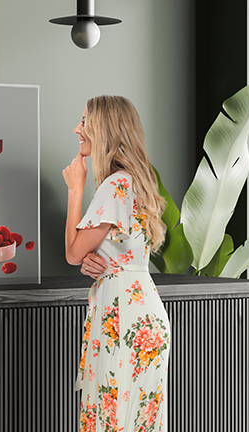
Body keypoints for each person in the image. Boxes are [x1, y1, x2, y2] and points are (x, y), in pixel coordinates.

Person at [63, 95, 170, 431]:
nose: (77, 129)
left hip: (122, 317)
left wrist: (75, 189)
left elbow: (72, 252)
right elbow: (115, 253)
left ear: (103, 129)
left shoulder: (113, 186)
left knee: (112, 418)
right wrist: (96, 262)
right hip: (146, 314)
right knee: (140, 419)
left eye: (84, 122)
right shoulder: (137, 181)